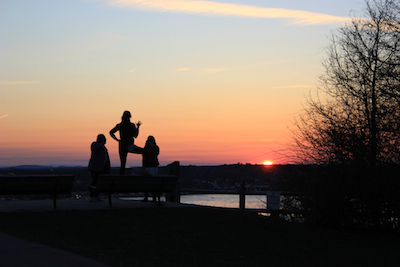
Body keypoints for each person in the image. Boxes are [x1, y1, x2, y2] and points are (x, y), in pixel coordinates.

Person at [88, 134, 110, 202]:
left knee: (98, 182)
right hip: (95, 167)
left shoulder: (103, 148)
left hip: (102, 167)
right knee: (94, 182)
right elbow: (94, 149)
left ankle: (97, 196)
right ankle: (92, 196)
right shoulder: (95, 144)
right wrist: (101, 144)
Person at [142, 135, 160, 202]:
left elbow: (156, 153)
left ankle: (154, 198)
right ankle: (146, 197)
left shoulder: (155, 147)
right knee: (146, 182)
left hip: (153, 166)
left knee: (153, 182)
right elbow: (143, 158)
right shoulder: (145, 149)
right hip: (147, 166)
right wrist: (143, 167)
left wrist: (152, 146)